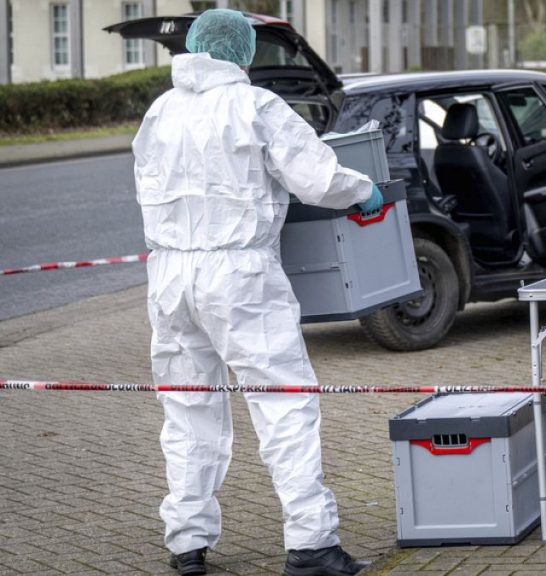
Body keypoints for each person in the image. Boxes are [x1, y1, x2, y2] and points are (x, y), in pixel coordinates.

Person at [132, 9, 381, 576]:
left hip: (169, 276)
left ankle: (187, 545)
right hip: (240, 275)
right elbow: (317, 178)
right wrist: (363, 189)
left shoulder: (160, 112)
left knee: (187, 407)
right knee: (284, 403)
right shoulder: (256, 107)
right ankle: (312, 545)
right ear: (243, 55)